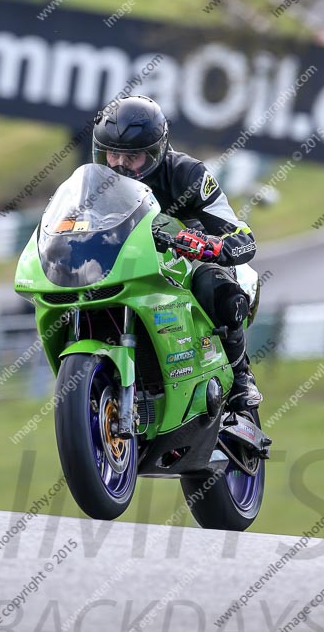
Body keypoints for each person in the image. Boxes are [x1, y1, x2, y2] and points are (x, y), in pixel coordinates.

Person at [92, 94, 262, 410]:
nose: (119, 165)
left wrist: (210, 245)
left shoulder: (188, 174)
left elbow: (240, 234)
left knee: (214, 285)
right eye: (112, 154)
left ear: (156, 152)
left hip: (182, 260)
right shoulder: (94, 184)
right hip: (124, 263)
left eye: (132, 157)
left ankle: (241, 376)